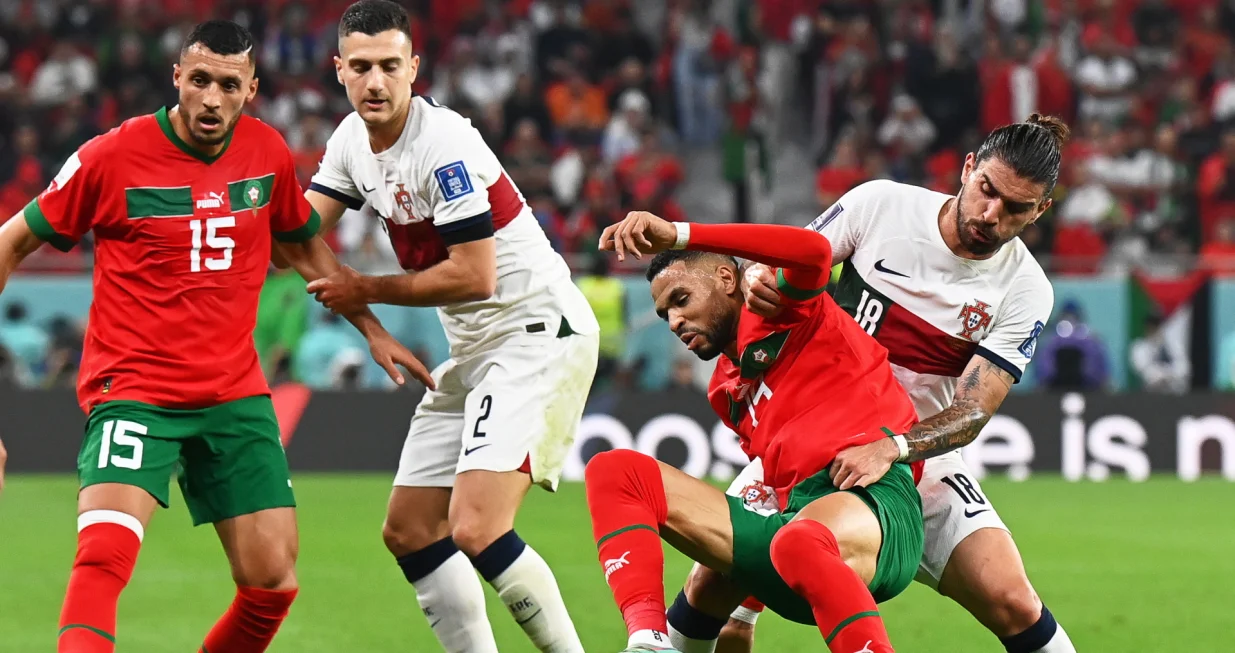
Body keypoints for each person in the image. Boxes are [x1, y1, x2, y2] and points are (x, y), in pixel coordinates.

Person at [0, 20, 429, 653]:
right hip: (136, 392)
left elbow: (303, 248)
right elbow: (11, 242)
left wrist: (370, 328)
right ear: (176, 77)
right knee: (103, 557)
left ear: (251, 89)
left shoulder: (266, 153)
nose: (210, 98)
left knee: (273, 582)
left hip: (233, 394)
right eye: (198, 80)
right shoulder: (110, 156)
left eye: (228, 85)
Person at [666, 115, 1076, 653]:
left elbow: (974, 411)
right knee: (710, 588)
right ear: (969, 168)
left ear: (1041, 210)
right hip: (813, 435)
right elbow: (795, 263)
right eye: (987, 191)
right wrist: (764, 282)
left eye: (1016, 208)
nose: (991, 215)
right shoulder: (881, 205)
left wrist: (893, 447)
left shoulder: (1024, 289)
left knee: (1014, 602)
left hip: (912, 456)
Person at [298, 2, 600, 651]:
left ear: (413, 66)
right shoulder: (351, 140)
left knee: (477, 525)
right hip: (473, 351)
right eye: (360, 68)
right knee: (409, 528)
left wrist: (365, 287)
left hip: (534, 331)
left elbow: (474, 276)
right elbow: (298, 239)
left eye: (387, 66)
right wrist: (371, 327)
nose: (374, 82)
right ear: (339, 71)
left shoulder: (446, 145)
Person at [586, 211, 925, 653]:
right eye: (665, 312)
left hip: (875, 510)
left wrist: (680, 233)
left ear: (727, 278)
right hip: (793, 523)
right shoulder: (724, 390)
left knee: (800, 542)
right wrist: (744, 605)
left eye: (682, 299)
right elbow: (770, 481)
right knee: (616, 473)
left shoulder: (780, 305)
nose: (674, 321)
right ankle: (648, 642)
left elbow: (816, 252)